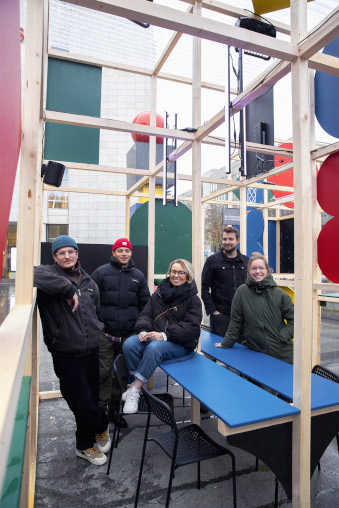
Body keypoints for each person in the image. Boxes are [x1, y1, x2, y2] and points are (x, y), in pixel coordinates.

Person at [34, 235, 110, 466]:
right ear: (55, 257)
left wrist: (98, 330)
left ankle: (85, 443)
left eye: (71, 251)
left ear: (77, 254)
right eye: (61, 253)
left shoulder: (88, 281)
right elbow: (29, 273)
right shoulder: (48, 274)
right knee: (80, 401)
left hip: (91, 350)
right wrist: (67, 288)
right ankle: (100, 426)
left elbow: (95, 311)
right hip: (66, 352)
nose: (67, 256)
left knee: (91, 397)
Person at [122, 259, 202, 414]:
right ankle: (137, 386)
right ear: (169, 272)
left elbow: (191, 328)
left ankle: (135, 391)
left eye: (181, 272)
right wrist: (143, 329)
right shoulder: (159, 293)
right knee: (130, 344)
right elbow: (146, 313)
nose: (176, 275)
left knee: (154, 347)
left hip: (181, 344)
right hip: (157, 340)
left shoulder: (193, 299)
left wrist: (165, 335)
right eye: (173, 271)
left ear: (188, 275)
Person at [91, 238, 150, 427]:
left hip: (128, 336)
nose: (124, 254)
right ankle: (100, 411)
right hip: (105, 334)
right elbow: (90, 301)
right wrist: (97, 325)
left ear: (131, 253)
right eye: (120, 250)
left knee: (121, 376)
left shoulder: (138, 276)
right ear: (114, 252)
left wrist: (140, 328)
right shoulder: (101, 273)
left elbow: (146, 305)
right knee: (103, 373)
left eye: (127, 251)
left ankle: (115, 412)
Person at [215, 252, 294, 364]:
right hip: (255, 352)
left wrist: (282, 337)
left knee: (282, 381)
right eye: (254, 268)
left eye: (261, 268)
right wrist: (226, 343)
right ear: (249, 271)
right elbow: (236, 321)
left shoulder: (280, 294)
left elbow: (296, 320)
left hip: (281, 353)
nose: (257, 271)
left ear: (267, 270)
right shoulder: (242, 292)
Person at [202, 226, 249, 338]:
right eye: (225, 239)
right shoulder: (212, 261)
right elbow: (203, 287)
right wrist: (213, 311)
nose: (227, 242)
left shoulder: (246, 262)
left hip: (243, 316)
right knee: (219, 351)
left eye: (231, 239)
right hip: (221, 317)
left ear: (238, 240)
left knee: (242, 351)